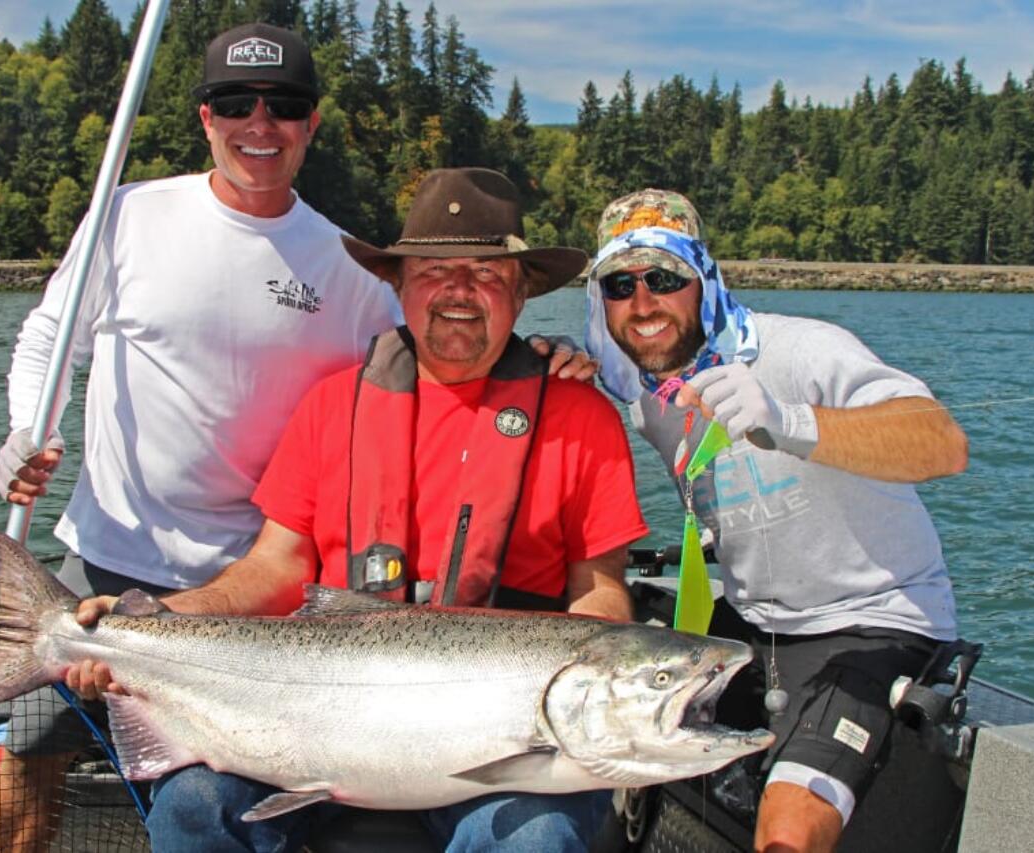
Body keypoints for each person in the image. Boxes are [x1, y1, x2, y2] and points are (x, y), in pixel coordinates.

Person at [0, 25, 593, 851]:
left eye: (285, 106)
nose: (259, 124)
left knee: (216, 774)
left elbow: (445, 350)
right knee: (27, 751)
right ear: (205, 116)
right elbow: (48, 336)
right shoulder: (126, 216)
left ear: (311, 123)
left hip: (263, 578)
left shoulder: (343, 266)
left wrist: (543, 357)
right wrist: (30, 427)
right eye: (236, 103)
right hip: (110, 553)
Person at [68, 167, 650, 852]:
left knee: (537, 837)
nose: (461, 291)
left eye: (488, 275)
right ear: (397, 284)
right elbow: (275, 567)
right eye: (435, 271)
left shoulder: (581, 416)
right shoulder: (330, 404)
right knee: (195, 805)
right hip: (311, 720)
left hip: (508, 744)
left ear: (522, 294)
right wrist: (159, 618)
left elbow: (601, 592)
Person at [584, 189, 969, 852]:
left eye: (665, 278)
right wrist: (550, 361)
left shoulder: (800, 350)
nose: (643, 303)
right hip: (751, 620)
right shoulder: (647, 393)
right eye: (621, 283)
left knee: (787, 833)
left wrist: (788, 421)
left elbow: (942, 442)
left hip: (869, 619)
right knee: (627, 773)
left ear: (704, 281)